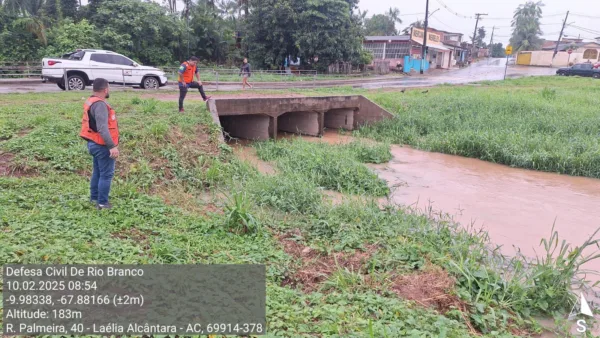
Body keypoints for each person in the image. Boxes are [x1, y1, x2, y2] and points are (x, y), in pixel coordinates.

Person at [79, 78, 119, 210]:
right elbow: (103, 128)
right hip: (101, 145)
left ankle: (94, 198)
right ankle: (102, 203)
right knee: (106, 175)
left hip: (93, 142)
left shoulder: (91, 101)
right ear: (105, 89)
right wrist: (111, 146)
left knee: (97, 172)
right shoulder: (100, 105)